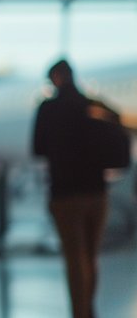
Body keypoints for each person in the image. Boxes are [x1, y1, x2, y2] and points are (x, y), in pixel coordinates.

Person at [33, 59, 118, 318]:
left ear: (56, 79)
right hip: (96, 191)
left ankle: (80, 313)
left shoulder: (48, 109)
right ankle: (89, 311)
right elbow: (115, 121)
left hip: (65, 194)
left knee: (74, 258)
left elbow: (38, 148)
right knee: (91, 257)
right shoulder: (91, 105)